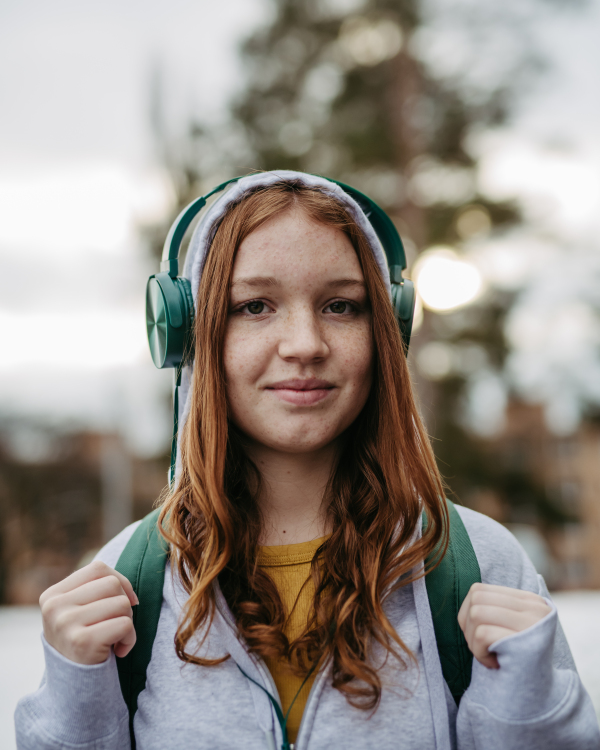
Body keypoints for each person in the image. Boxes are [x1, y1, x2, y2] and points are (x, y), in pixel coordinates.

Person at [15, 172, 600, 750]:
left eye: (342, 305)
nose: (304, 344)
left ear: (387, 331)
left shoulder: (479, 563)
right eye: (255, 306)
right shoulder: (127, 578)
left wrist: (532, 710)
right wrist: (74, 701)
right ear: (190, 333)